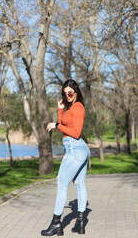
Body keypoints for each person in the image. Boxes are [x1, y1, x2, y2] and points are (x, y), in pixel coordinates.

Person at [41, 79, 90, 236]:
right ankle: (80, 223)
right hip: (77, 149)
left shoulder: (78, 108)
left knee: (62, 184)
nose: (67, 95)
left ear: (76, 92)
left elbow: (75, 133)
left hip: (75, 149)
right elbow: (65, 124)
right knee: (79, 184)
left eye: (69, 92)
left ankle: (56, 223)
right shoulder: (71, 107)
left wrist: (56, 125)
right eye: (64, 93)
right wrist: (60, 110)